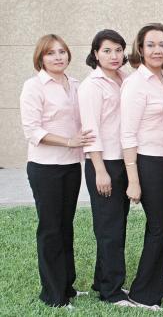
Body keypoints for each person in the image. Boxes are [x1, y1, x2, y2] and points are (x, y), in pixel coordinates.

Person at [20, 34, 95, 307]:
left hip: (70, 166)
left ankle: (67, 286)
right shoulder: (34, 87)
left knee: (66, 226)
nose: (58, 57)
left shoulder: (74, 85)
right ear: (41, 58)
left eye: (62, 51)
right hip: (45, 167)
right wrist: (68, 141)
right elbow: (32, 130)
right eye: (51, 53)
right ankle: (53, 295)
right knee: (50, 228)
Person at [120, 23, 163, 311]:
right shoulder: (135, 83)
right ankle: (142, 294)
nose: (157, 50)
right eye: (151, 44)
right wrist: (133, 179)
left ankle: (159, 284)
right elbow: (127, 134)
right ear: (140, 49)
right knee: (159, 226)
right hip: (148, 161)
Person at [78, 29, 132, 307]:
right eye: (107, 50)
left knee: (116, 225)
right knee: (109, 229)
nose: (114, 56)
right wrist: (99, 169)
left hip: (124, 161)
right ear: (96, 53)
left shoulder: (125, 79)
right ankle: (112, 292)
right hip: (104, 163)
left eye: (119, 50)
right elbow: (91, 131)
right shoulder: (92, 86)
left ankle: (101, 281)